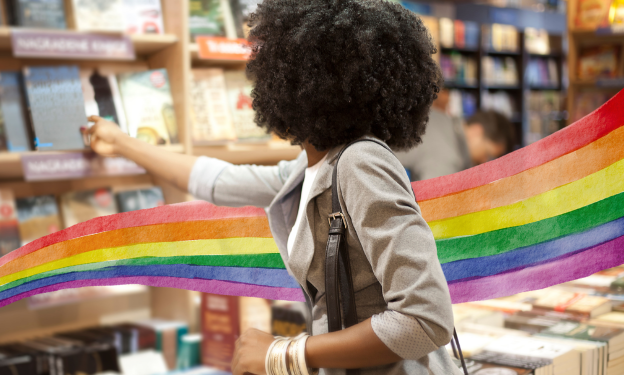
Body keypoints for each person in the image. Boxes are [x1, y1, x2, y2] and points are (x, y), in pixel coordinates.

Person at [83, 1, 459, 374]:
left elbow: (425, 318)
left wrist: (284, 354)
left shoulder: (359, 164)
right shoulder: (313, 165)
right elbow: (216, 180)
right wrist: (120, 142)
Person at [394, 106, 515, 181]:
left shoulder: (441, 118)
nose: (484, 161)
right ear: (476, 131)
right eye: (488, 155)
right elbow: (432, 211)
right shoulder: (450, 158)